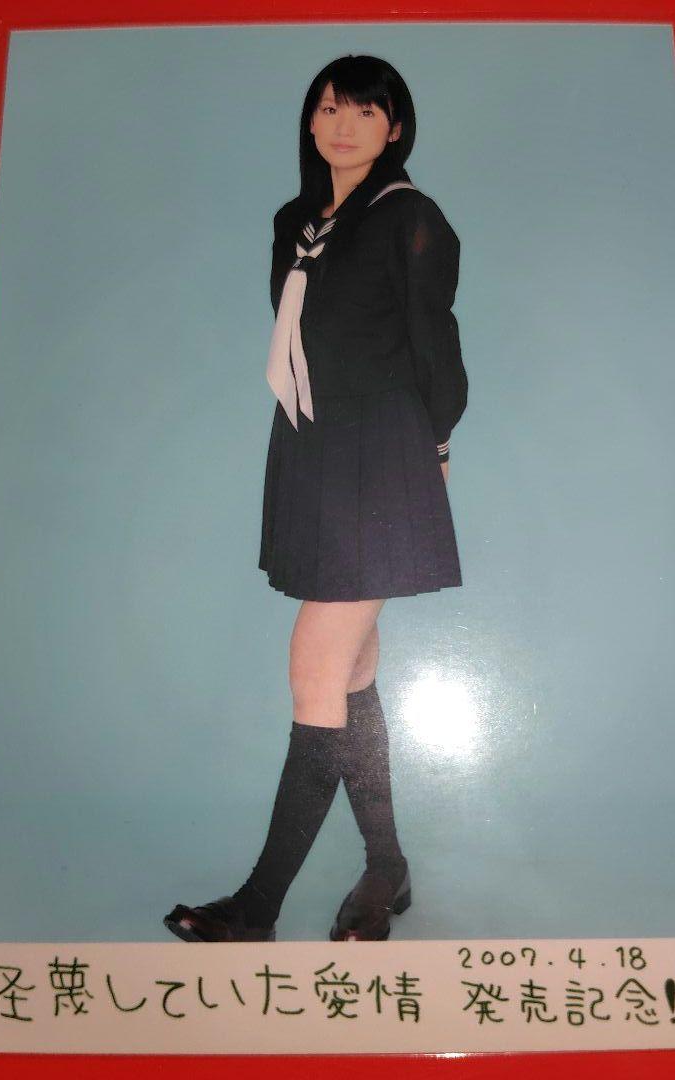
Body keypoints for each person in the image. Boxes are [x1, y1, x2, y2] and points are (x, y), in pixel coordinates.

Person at [164, 54, 468, 943]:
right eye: (330, 108)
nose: (344, 125)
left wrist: (437, 443)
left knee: (315, 665)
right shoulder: (295, 223)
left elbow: (434, 342)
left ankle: (256, 907)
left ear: (395, 128)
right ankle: (386, 866)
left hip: (385, 450)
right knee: (354, 667)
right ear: (310, 120)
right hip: (313, 446)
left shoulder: (411, 217)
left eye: (366, 112)